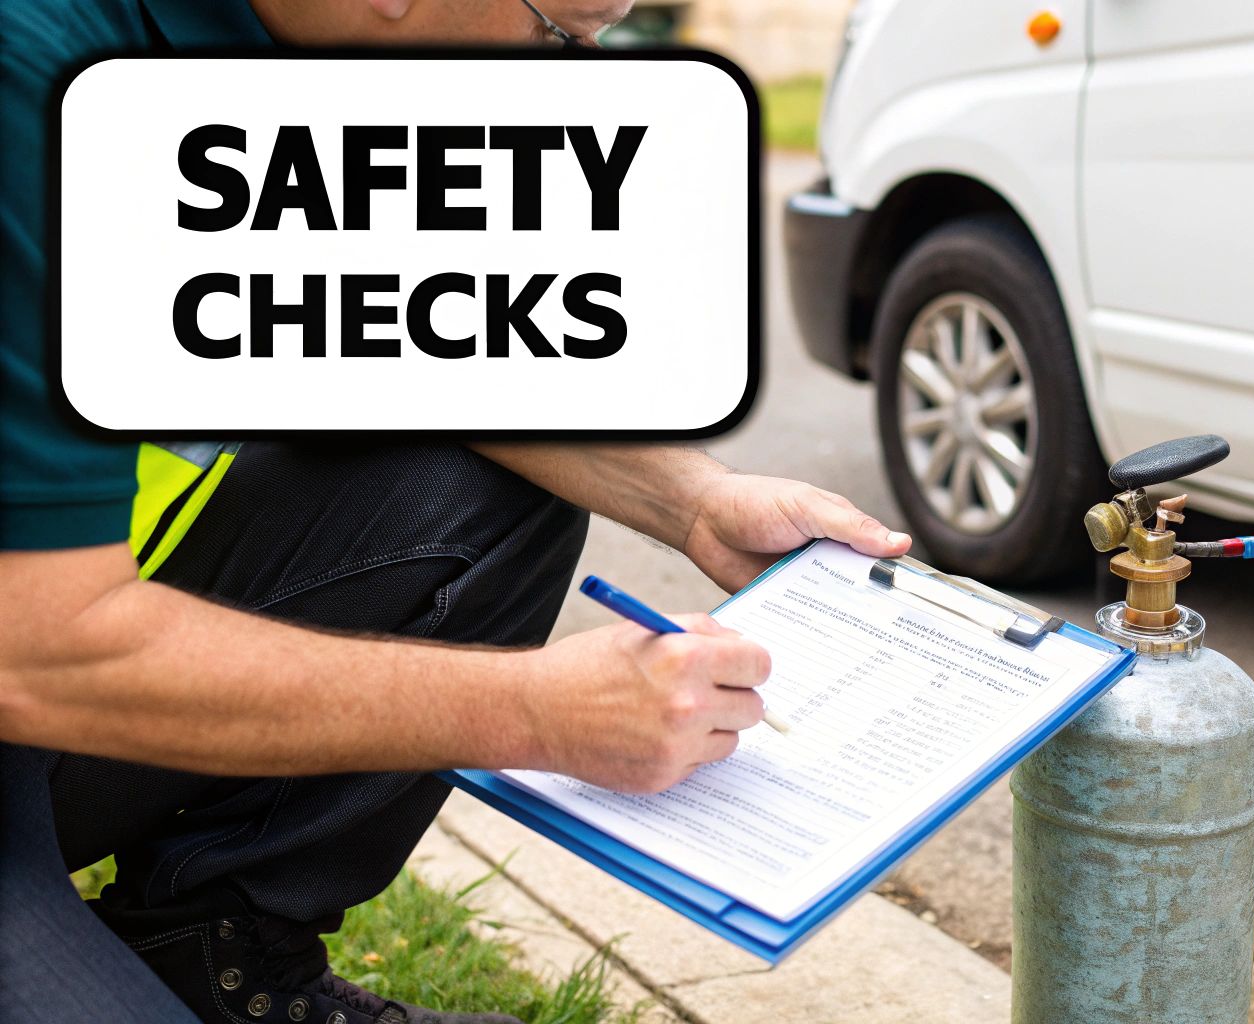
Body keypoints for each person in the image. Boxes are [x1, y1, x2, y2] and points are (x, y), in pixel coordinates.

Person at [0, 2, 909, 1022]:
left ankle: (213, 949)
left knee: (466, 487)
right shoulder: (31, 72)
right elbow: (34, 650)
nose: (576, 72)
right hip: (32, 669)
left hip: (38, 713)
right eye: (562, 34)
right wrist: (533, 712)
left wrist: (694, 500)